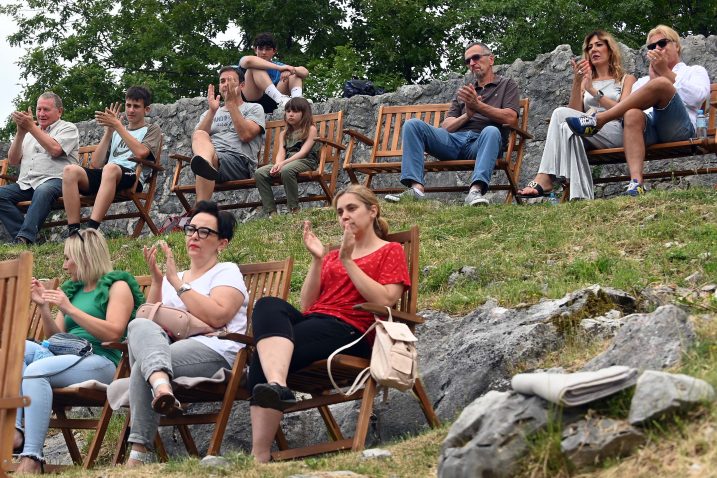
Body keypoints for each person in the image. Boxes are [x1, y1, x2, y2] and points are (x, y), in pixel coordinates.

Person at [247, 184, 411, 463]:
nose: (344, 216)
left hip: (354, 331)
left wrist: (348, 260)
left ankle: (259, 455)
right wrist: (318, 259)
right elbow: (308, 305)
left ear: (372, 211)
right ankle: (277, 385)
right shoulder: (332, 256)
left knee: (261, 357)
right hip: (317, 322)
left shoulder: (390, 250)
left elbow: (386, 301)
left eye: (351, 208)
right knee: (267, 305)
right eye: (339, 212)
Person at [124, 200, 248, 466]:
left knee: (145, 367)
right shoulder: (173, 276)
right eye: (191, 229)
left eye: (204, 232)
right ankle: (162, 385)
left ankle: (138, 456)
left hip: (217, 351)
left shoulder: (227, 271)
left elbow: (218, 316)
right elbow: (150, 320)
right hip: (172, 351)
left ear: (222, 243)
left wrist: (178, 284)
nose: (194, 235)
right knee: (138, 327)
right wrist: (158, 281)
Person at [12, 228, 144, 473]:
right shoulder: (73, 290)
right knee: (10, 353)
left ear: (85, 257)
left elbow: (114, 333)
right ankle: (15, 432)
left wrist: (70, 309)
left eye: (67, 258)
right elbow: (55, 338)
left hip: (102, 361)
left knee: (36, 370)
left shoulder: (117, 286)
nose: (64, 266)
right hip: (66, 358)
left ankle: (32, 457)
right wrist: (43, 308)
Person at [565, 25, 710, 196]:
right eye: (651, 46)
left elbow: (698, 98)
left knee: (661, 84)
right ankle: (636, 183)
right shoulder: (642, 81)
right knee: (632, 113)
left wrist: (665, 74)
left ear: (676, 46)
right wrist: (653, 83)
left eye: (662, 43)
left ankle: (600, 120)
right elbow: (630, 110)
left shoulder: (693, 71)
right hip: (649, 132)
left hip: (679, 129)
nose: (657, 49)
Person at [385, 42, 519, 206]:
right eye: (467, 61)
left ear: (491, 59)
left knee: (491, 130)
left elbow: (511, 118)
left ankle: (474, 192)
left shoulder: (507, 85)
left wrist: (479, 107)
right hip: (454, 142)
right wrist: (467, 116)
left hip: (482, 143)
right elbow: (447, 126)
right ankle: (416, 190)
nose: (471, 63)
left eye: (475, 57)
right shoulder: (465, 91)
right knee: (412, 125)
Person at [517, 31, 636, 201]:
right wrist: (578, 81)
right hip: (587, 129)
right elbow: (573, 112)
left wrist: (593, 92)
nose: (593, 49)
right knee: (567, 126)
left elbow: (624, 110)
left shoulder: (626, 79)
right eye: (589, 47)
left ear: (610, 50)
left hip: (615, 130)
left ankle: (545, 178)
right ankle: (580, 196)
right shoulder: (587, 81)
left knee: (561, 115)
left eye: (598, 45)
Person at [62, 86, 162, 234]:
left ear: (146, 110)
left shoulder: (152, 129)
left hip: (132, 176)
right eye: (128, 105)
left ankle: (91, 230)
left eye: (136, 106)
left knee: (111, 168)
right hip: (108, 175)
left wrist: (118, 126)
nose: (131, 110)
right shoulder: (116, 131)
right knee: (70, 170)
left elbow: (141, 153)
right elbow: (95, 164)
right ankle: (74, 232)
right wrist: (109, 132)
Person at [0, 92, 79, 244]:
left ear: (59, 111)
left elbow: (55, 150)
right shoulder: (29, 133)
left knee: (43, 190)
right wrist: (20, 133)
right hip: (27, 184)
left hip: (57, 181)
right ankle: (25, 238)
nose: (41, 114)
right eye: (39, 109)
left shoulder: (68, 128)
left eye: (46, 110)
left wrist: (31, 127)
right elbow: (13, 160)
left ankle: (24, 239)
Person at [189, 66, 265, 204]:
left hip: (239, 161)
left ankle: (199, 212)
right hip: (213, 159)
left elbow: (245, 135)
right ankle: (206, 164)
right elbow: (197, 140)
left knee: (205, 160)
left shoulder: (254, 108)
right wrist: (212, 111)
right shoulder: (208, 113)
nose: (226, 84)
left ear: (242, 85)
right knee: (200, 134)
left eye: (230, 80)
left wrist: (230, 104)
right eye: (223, 81)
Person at [254, 97, 321, 215]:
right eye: (288, 111)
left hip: (305, 161)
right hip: (287, 162)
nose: (290, 114)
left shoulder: (311, 129)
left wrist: (283, 164)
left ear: (304, 113)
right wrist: (277, 164)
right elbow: (281, 152)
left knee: (286, 170)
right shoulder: (284, 134)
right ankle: (272, 212)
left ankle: (294, 209)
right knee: (260, 173)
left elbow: (303, 152)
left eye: (295, 111)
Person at [239, 32, 309, 114]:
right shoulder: (247, 60)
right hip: (252, 100)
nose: (264, 52)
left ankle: (297, 101)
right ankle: (280, 99)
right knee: (255, 68)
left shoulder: (280, 65)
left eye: (268, 49)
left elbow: (305, 72)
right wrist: (280, 68)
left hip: (275, 103)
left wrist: (291, 70)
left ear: (274, 51)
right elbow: (248, 61)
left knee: (293, 73)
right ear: (255, 50)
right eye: (260, 48)